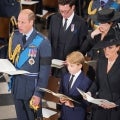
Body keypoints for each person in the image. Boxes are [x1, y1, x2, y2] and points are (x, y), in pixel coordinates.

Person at [8, 9, 51, 120]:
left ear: (31, 22)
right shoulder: (15, 36)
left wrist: (38, 94)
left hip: (32, 90)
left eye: (23, 22)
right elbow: (12, 59)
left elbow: (45, 72)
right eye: (18, 21)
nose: (19, 25)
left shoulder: (42, 41)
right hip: (17, 86)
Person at [84, 31, 120, 120]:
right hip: (99, 105)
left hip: (115, 109)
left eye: (110, 48)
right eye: (104, 48)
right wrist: (89, 92)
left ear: (118, 48)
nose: (106, 51)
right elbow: (97, 82)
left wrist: (115, 103)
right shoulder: (101, 61)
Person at [48, 0, 88, 77]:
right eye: (61, 11)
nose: (63, 14)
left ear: (73, 7)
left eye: (66, 11)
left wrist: (73, 59)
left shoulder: (81, 23)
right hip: (54, 66)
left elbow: (83, 47)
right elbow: (50, 41)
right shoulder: (54, 19)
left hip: (71, 68)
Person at [59, 51, 92, 120]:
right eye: (68, 65)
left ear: (80, 66)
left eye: (72, 66)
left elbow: (87, 103)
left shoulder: (86, 81)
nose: (69, 68)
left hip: (77, 115)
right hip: (64, 114)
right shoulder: (65, 76)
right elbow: (61, 91)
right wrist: (60, 98)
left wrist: (73, 104)